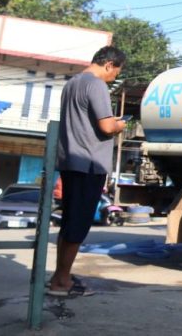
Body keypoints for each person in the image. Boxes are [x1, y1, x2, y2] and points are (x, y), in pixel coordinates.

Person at [46, 46, 127, 298]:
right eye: (116, 73)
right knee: (78, 226)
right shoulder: (96, 85)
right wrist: (120, 124)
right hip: (89, 164)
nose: (113, 78)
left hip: (71, 162)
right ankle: (61, 282)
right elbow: (105, 126)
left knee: (69, 223)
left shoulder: (72, 83)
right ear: (109, 65)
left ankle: (61, 276)